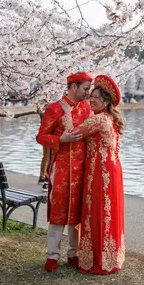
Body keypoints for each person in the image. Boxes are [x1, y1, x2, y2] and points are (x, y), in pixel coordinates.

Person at [68, 74, 125, 274]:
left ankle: (98, 260)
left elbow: (74, 132)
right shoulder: (109, 119)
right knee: (108, 211)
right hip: (112, 168)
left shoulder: (99, 119)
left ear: (106, 101)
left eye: (97, 98)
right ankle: (110, 256)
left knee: (98, 210)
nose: (91, 100)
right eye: (90, 96)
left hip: (100, 171)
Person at [36, 72, 93, 273]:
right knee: (59, 211)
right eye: (85, 89)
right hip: (60, 168)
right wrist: (61, 140)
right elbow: (41, 137)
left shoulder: (87, 108)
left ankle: (73, 253)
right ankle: (52, 256)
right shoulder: (54, 109)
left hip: (82, 168)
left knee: (77, 212)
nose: (88, 93)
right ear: (73, 86)